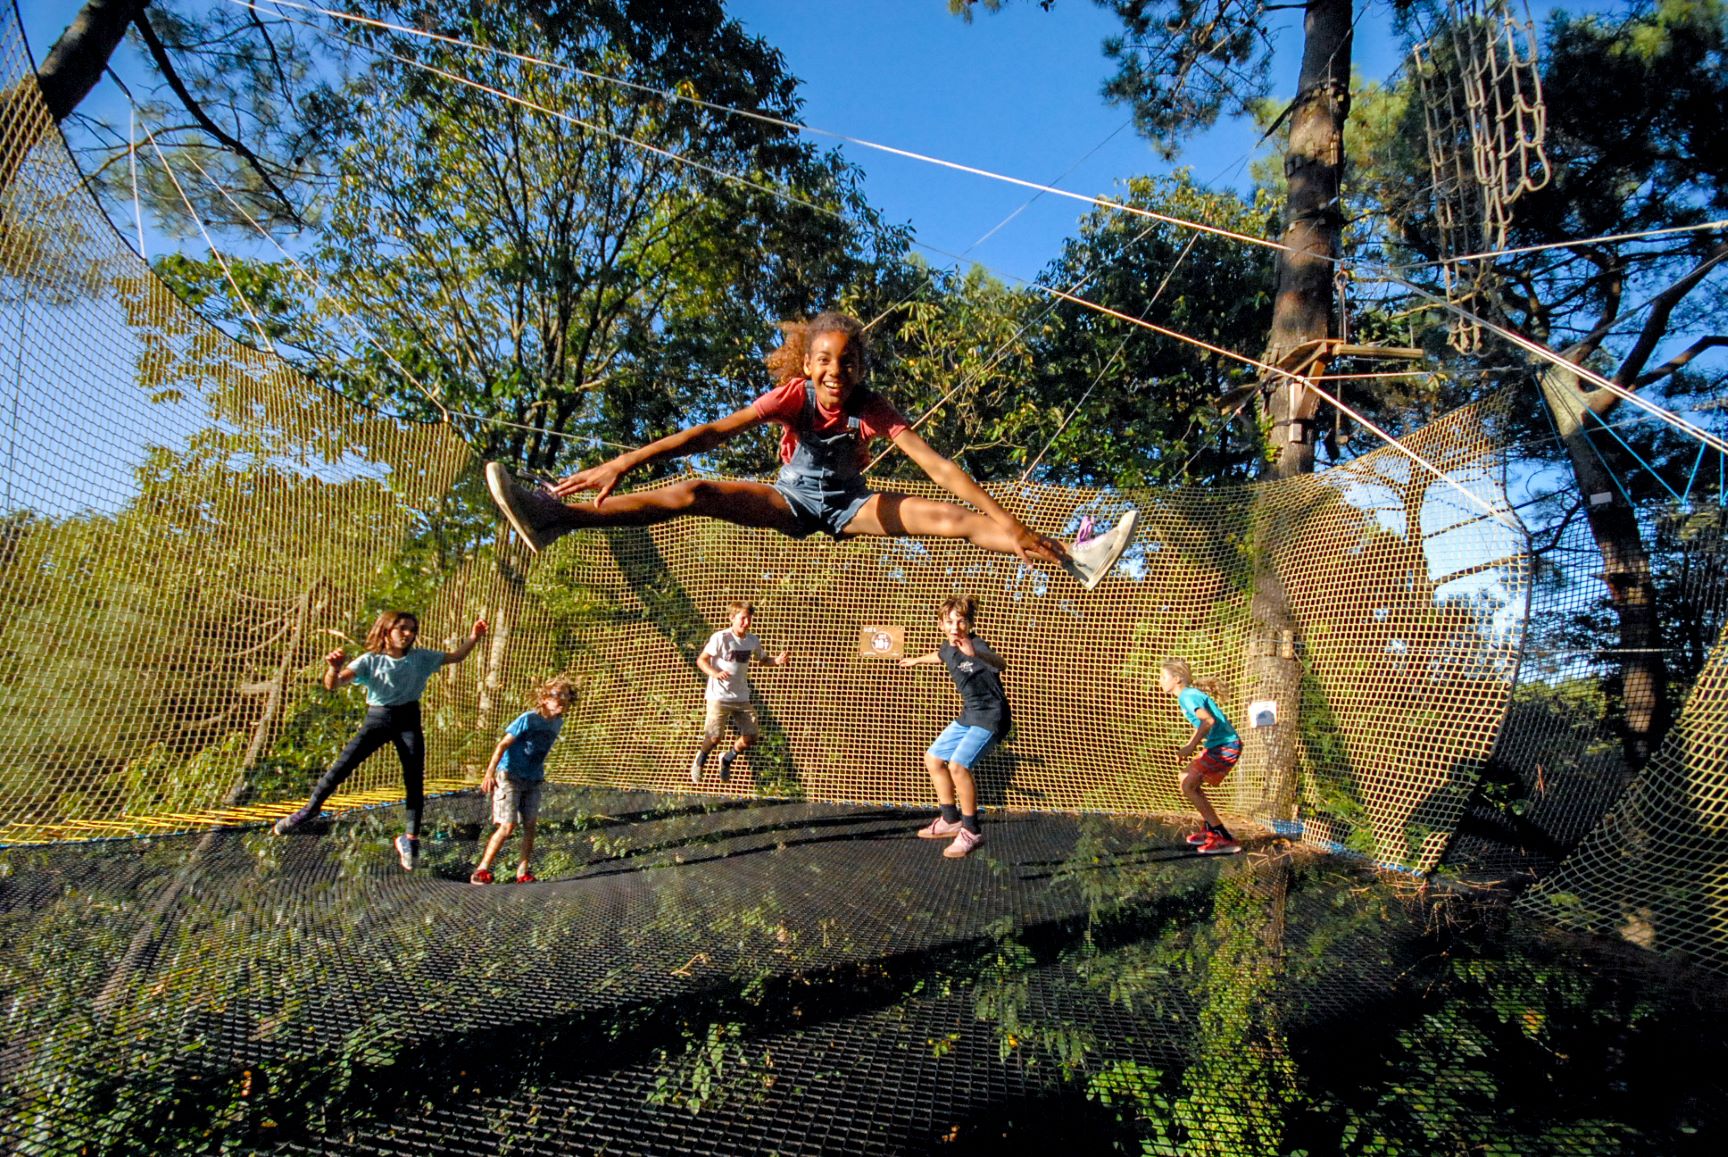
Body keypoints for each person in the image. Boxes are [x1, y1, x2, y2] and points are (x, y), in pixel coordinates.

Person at [483, 311, 1137, 589]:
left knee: (957, 519)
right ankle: (554, 515)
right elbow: (709, 433)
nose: (834, 372)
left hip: (850, 506)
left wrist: (1013, 522)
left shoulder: (871, 408)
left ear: (859, 369)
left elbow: (937, 466)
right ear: (809, 360)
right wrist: (626, 459)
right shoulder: (792, 396)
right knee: (699, 491)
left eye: (846, 363)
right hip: (793, 501)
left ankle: (1072, 556)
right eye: (824, 360)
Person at [273, 610, 488, 871]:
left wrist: (474, 637)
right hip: (378, 719)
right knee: (341, 767)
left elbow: (457, 656)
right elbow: (334, 684)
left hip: (408, 719)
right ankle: (309, 810)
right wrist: (333, 668)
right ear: (387, 631)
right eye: (402, 629)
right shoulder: (370, 661)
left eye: (412, 629)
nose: (408, 634)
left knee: (414, 778)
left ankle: (410, 839)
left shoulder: (421, 658)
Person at [899, 595, 1010, 859]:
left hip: (992, 716)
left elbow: (1000, 663)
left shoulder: (977, 645)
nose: (955, 627)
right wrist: (915, 660)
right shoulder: (947, 648)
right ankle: (950, 819)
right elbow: (940, 655)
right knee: (933, 759)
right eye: (949, 621)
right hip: (969, 715)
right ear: (941, 625)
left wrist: (976, 653)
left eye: (961, 621)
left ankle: (971, 831)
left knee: (958, 765)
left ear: (969, 624)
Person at [471, 676, 577, 885]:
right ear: (545, 698)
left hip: (533, 778)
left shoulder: (558, 722)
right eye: (557, 695)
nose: (562, 700)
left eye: (566, 695)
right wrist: (489, 773)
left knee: (530, 825)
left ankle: (523, 871)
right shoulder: (528, 719)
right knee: (508, 825)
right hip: (510, 776)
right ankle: (482, 869)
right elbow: (502, 745)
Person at [691, 601, 789, 784]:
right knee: (714, 737)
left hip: (741, 697)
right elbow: (701, 660)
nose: (746, 622)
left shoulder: (752, 640)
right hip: (718, 697)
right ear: (732, 618)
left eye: (749, 618)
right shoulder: (721, 638)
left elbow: (764, 660)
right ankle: (701, 758)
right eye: (742, 618)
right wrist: (715, 673)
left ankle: (727, 758)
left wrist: (777, 660)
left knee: (751, 737)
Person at [1159, 657, 1243, 856]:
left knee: (1187, 784)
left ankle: (1223, 837)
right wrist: (1191, 746)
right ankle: (1211, 829)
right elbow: (1203, 725)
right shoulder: (1187, 695)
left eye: (1163, 677)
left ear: (1177, 679)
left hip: (1225, 745)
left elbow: (1208, 721)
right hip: (1219, 744)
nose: (1159, 681)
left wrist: (1189, 747)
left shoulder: (1187, 696)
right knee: (1187, 781)